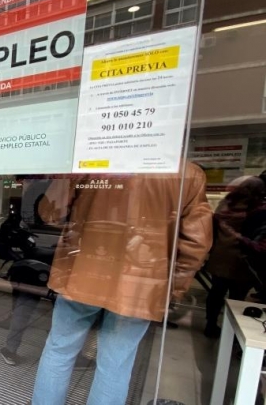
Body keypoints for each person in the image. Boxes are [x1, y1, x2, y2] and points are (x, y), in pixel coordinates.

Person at [31, 164, 212, 405]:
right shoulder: (187, 173)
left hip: (83, 274)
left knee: (59, 350)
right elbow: (197, 242)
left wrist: (68, 177)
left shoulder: (95, 161)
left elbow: (49, 213)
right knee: (115, 365)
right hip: (140, 283)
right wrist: (173, 287)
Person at [204, 176, 265, 338]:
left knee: (216, 292)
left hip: (221, 255)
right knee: (237, 298)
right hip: (243, 259)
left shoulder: (226, 204)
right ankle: (230, 332)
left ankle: (210, 325)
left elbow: (213, 227)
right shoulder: (257, 208)